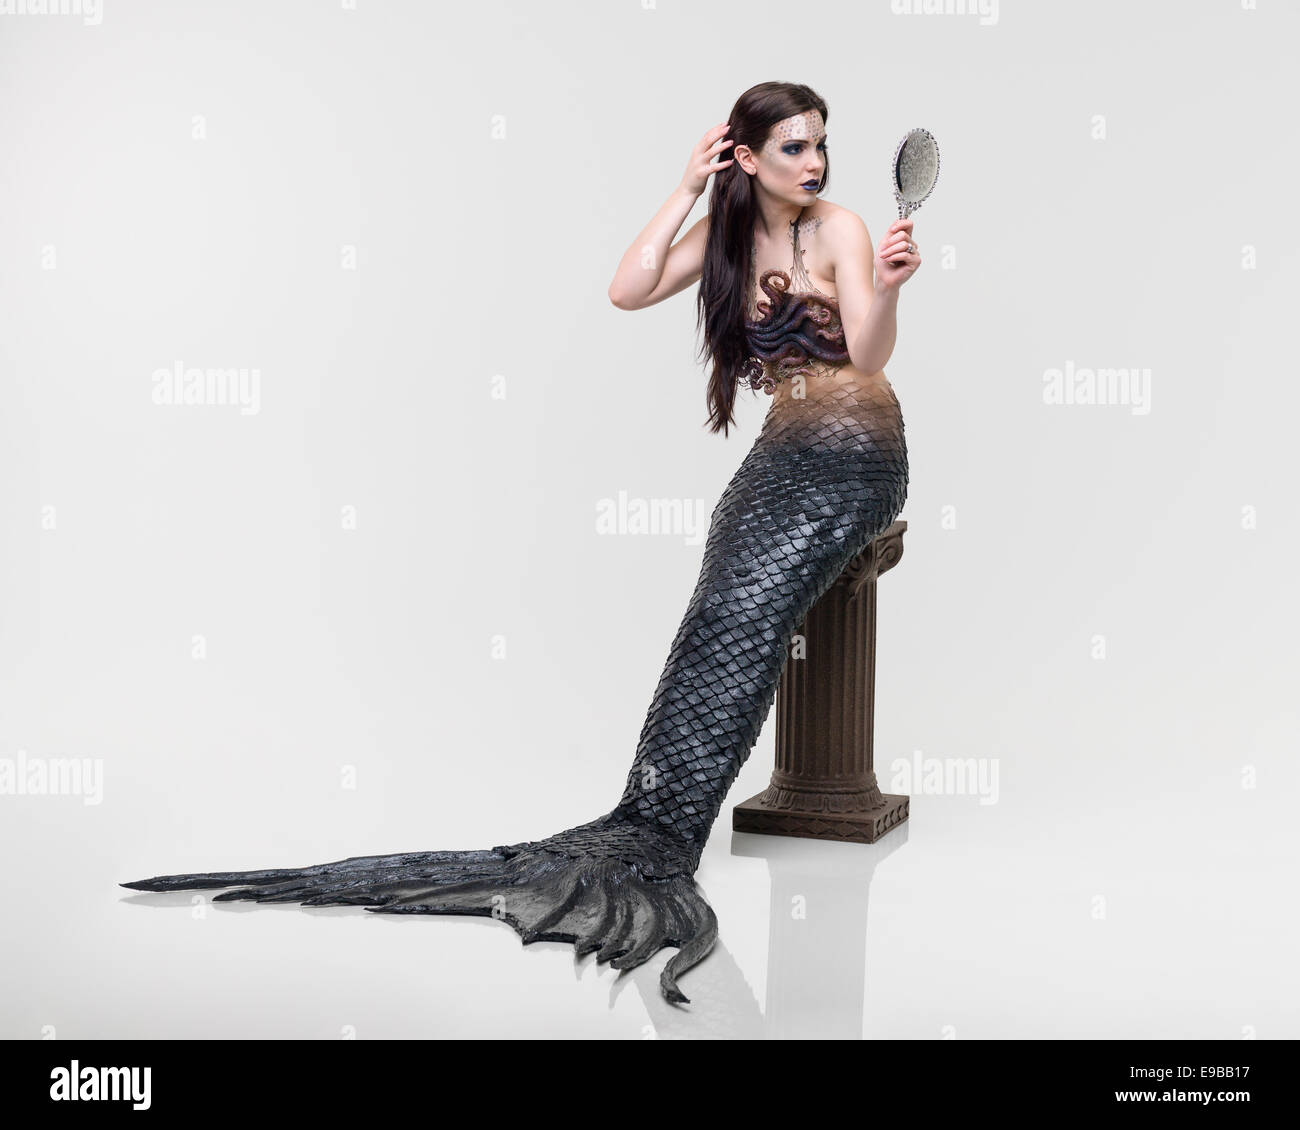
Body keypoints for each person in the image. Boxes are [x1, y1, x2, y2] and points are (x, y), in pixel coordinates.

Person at [123, 81, 921, 1006]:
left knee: (755, 606)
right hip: (783, 444)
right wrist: (685, 189)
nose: (813, 163)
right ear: (742, 157)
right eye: (791, 148)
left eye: (820, 144)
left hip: (857, 451)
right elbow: (627, 289)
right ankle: (651, 823)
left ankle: (692, 824)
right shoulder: (723, 231)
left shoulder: (845, 228)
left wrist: (890, 290)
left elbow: (866, 354)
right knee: (719, 610)